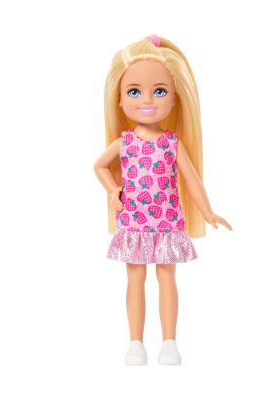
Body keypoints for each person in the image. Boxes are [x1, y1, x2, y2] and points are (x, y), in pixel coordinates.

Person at [93, 34, 233, 366]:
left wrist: (208, 212)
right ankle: (136, 343)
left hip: (167, 221)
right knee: (135, 279)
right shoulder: (124, 143)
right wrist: (112, 190)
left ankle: (169, 342)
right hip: (134, 221)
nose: (147, 100)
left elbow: (192, 179)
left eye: (159, 91)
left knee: (167, 278)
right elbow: (99, 166)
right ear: (119, 99)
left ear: (175, 99)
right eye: (134, 91)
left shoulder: (172, 143)